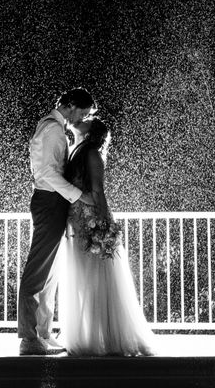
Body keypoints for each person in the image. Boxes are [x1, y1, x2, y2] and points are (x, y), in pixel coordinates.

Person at [58, 116, 156, 356]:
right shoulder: (75, 150)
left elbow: (98, 192)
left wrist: (104, 225)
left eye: (87, 120)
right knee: (82, 278)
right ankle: (86, 335)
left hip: (90, 222)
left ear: (91, 131)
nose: (81, 120)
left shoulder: (91, 154)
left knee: (95, 279)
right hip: (77, 221)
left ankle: (104, 338)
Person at [18, 87, 97, 356]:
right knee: (38, 271)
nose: (82, 118)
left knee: (50, 273)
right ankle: (28, 339)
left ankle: (42, 333)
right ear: (71, 105)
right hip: (49, 201)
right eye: (83, 112)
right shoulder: (51, 128)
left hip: (54, 202)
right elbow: (45, 172)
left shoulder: (53, 126)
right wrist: (79, 195)